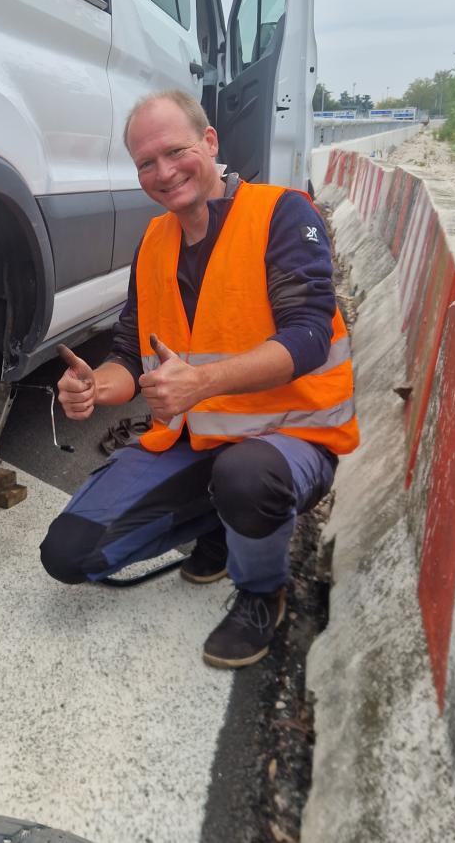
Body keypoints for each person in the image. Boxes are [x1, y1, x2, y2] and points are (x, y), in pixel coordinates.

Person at [39, 89, 359, 669]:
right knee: (67, 553)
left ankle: (263, 592)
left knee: (247, 477)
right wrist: (97, 387)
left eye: (175, 151)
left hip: (292, 437)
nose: (163, 172)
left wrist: (203, 384)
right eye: (144, 163)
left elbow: (310, 335)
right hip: (199, 438)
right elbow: (131, 356)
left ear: (210, 142)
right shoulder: (154, 242)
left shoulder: (281, 213)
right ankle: (221, 520)